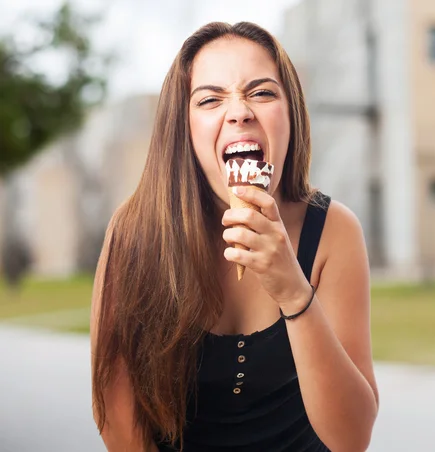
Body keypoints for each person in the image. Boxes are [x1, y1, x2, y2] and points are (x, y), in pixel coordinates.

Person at [91, 21, 379, 452]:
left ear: (291, 115)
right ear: (183, 128)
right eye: (210, 99)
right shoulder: (134, 235)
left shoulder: (334, 231)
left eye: (262, 93)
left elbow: (351, 439)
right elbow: (121, 430)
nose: (240, 111)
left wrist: (294, 293)